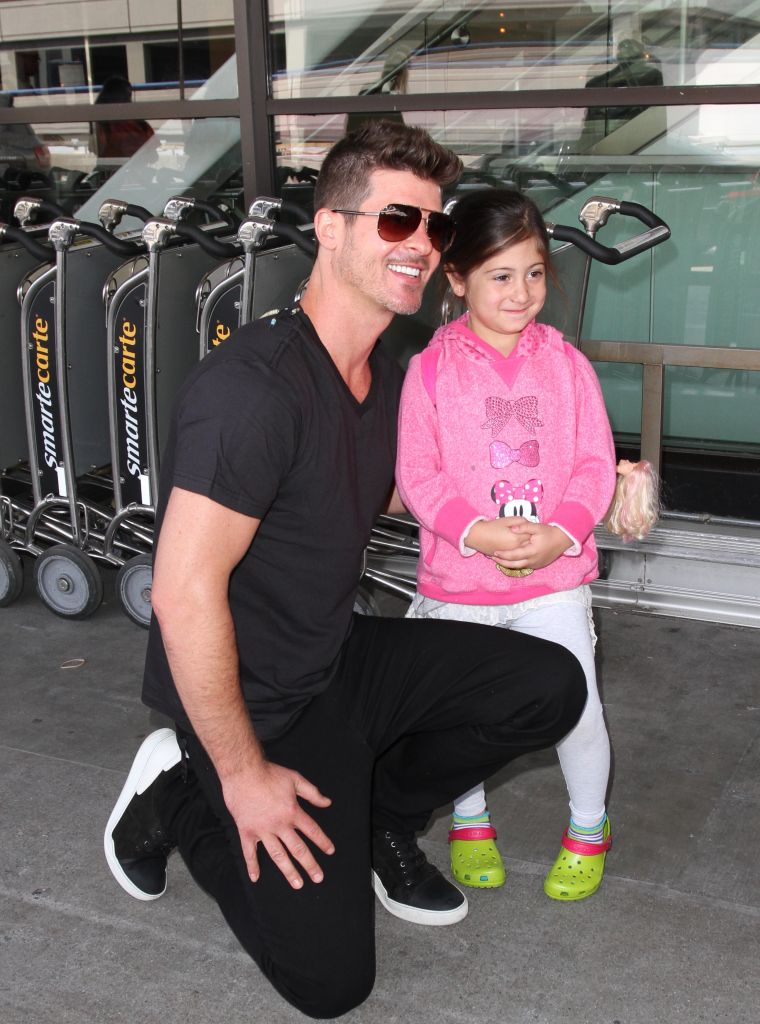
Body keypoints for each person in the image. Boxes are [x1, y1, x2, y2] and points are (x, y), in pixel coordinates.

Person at [103, 123, 586, 1019]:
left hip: (330, 657)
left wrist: (549, 497)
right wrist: (244, 778)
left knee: (549, 686)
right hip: (250, 699)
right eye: (396, 220)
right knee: (331, 984)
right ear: (328, 227)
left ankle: (378, 818)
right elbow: (182, 592)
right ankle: (179, 799)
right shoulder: (251, 391)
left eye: (435, 229)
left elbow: (405, 489)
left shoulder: (390, 369)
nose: (421, 246)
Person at [396, 187, 619, 900]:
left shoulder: (568, 365)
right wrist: (477, 530)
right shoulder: (429, 371)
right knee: (464, 717)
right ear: (455, 279)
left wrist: (561, 533)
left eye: (532, 272)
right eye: (499, 275)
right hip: (461, 582)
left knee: (577, 707)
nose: (521, 292)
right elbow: (418, 475)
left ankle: (589, 826)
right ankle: (469, 819)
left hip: (555, 580)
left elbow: (594, 463)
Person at [92, 75, 154, 162]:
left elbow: (95, 149)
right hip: (126, 170)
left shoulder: (102, 123)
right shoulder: (139, 123)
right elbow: (153, 156)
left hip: (115, 170)